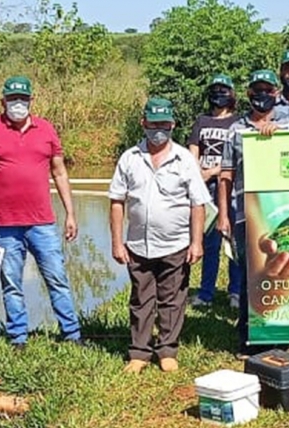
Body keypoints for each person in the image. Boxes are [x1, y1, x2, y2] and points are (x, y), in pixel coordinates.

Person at [0, 76, 83, 351]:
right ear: (2, 101)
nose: (17, 104)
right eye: (12, 99)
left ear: (31, 100)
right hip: (5, 225)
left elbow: (60, 172)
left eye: (22, 99)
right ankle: (18, 337)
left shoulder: (46, 129)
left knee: (57, 279)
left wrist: (70, 213)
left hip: (42, 222)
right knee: (11, 283)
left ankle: (72, 334)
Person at [109, 97, 210, 374]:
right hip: (138, 245)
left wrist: (197, 242)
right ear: (144, 123)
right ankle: (139, 353)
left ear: (173, 125)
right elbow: (117, 201)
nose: (158, 130)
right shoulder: (129, 158)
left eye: (164, 124)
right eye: (153, 124)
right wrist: (117, 242)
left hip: (176, 243)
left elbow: (197, 203)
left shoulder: (185, 159)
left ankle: (167, 350)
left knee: (172, 299)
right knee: (141, 300)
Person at [217, 69, 289, 359]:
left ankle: (283, 333)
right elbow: (225, 175)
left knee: (284, 270)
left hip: (285, 210)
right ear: (248, 94)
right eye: (257, 91)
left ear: (277, 93)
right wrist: (223, 215)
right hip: (246, 213)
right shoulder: (235, 129)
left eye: (268, 90)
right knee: (250, 273)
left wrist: (276, 138)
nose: (262, 96)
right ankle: (249, 337)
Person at [188, 74, 242, 309]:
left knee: (233, 241)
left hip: (230, 187)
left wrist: (212, 172)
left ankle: (236, 292)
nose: (219, 94)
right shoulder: (201, 121)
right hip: (205, 189)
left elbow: (240, 158)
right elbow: (193, 152)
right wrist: (198, 174)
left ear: (232, 94)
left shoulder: (239, 121)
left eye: (224, 89)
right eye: (215, 89)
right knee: (209, 243)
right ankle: (205, 292)